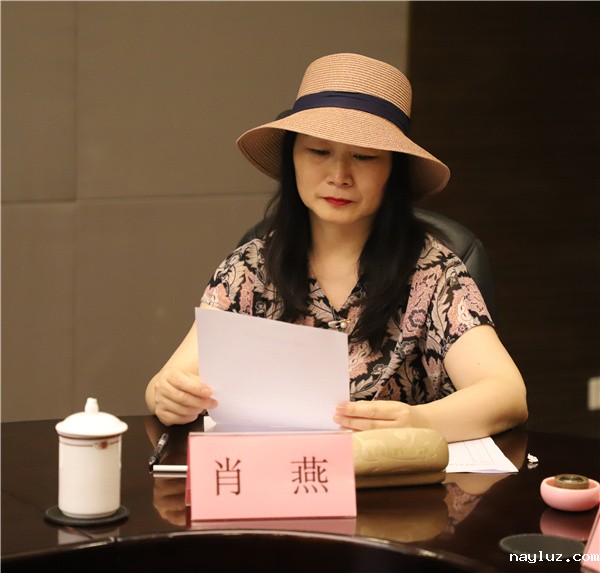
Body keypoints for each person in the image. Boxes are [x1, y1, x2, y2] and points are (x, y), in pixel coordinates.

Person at [145, 53, 528, 442]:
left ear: (393, 170)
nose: (339, 176)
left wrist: (417, 422)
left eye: (364, 157)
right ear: (292, 158)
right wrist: (169, 395)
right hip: (282, 474)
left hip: (401, 477)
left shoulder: (432, 272)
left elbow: (507, 395)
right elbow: (166, 384)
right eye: (319, 152)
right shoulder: (251, 268)